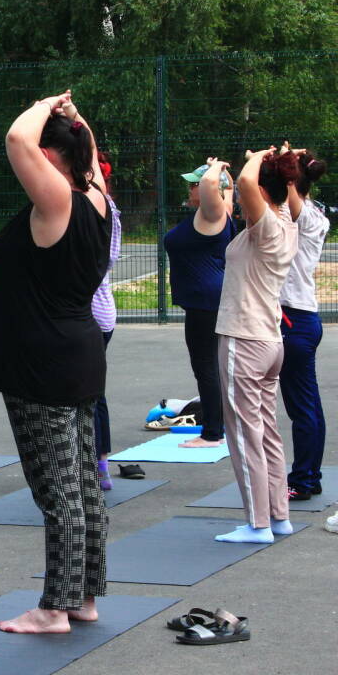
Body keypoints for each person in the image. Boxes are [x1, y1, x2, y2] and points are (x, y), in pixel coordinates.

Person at [0, 91, 111, 634]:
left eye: (43, 153)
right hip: (74, 355)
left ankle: (54, 608)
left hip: (42, 363)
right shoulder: (96, 196)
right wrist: (75, 119)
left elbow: (17, 139)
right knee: (80, 484)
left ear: (54, 158)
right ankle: (84, 598)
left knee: (58, 492)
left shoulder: (57, 201)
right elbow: (88, 154)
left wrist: (41, 105)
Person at [213, 147, 300, 544]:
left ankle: (258, 524)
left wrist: (261, 157)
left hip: (244, 340)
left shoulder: (268, 229)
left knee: (245, 435)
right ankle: (278, 517)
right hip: (268, 342)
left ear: (263, 193)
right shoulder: (287, 220)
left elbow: (248, 181)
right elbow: (272, 185)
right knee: (266, 433)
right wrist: (277, 161)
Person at [163, 159, 234, 449]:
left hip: (204, 302)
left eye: (195, 184)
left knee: (205, 366)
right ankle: (218, 427)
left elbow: (211, 185)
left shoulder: (211, 213)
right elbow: (227, 190)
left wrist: (214, 170)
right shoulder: (220, 211)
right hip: (206, 300)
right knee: (211, 365)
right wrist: (223, 174)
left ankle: (212, 433)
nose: (191, 188)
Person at [279, 149, 328, 501]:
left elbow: (289, 190)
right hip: (302, 318)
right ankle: (310, 475)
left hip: (294, 319)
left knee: (302, 407)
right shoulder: (314, 212)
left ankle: (303, 480)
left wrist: (283, 162)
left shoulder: (305, 215)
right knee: (308, 404)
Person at [89, 150, 121, 488]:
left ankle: (94, 464)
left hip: (90, 314)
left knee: (85, 394)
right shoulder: (109, 208)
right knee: (95, 392)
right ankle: (100, 463)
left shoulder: (97, 209)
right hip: (102, 313)